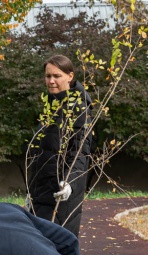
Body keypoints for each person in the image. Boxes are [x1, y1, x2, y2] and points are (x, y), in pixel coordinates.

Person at [25, 54, 94, 236]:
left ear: (70, 76)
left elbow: (80, 152)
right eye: (48, 76)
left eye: (57, 76)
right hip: (40, 196)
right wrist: (31, 191)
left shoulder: (79, 109)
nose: (51, 81)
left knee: (58, 251)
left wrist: (69, 183)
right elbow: (40, 156)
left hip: (61, 196)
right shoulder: (50, 108)